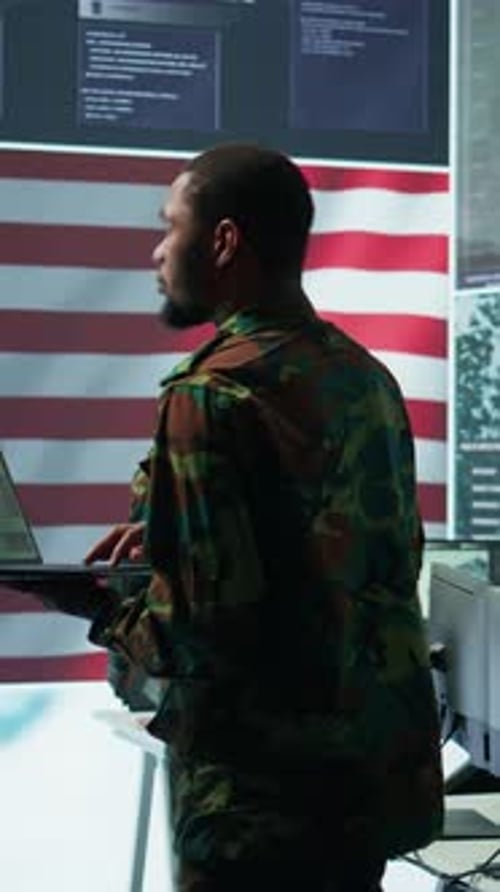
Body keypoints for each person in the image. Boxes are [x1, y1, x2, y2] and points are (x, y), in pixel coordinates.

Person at [25, 144, 444, 891]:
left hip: (256, 807)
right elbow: (373, 562)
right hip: (368, 787)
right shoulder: (364, 378)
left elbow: (201, 627)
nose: (158, 252)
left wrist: (96, 605)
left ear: (222, 242)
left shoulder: (210, 394)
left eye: (170, 226)